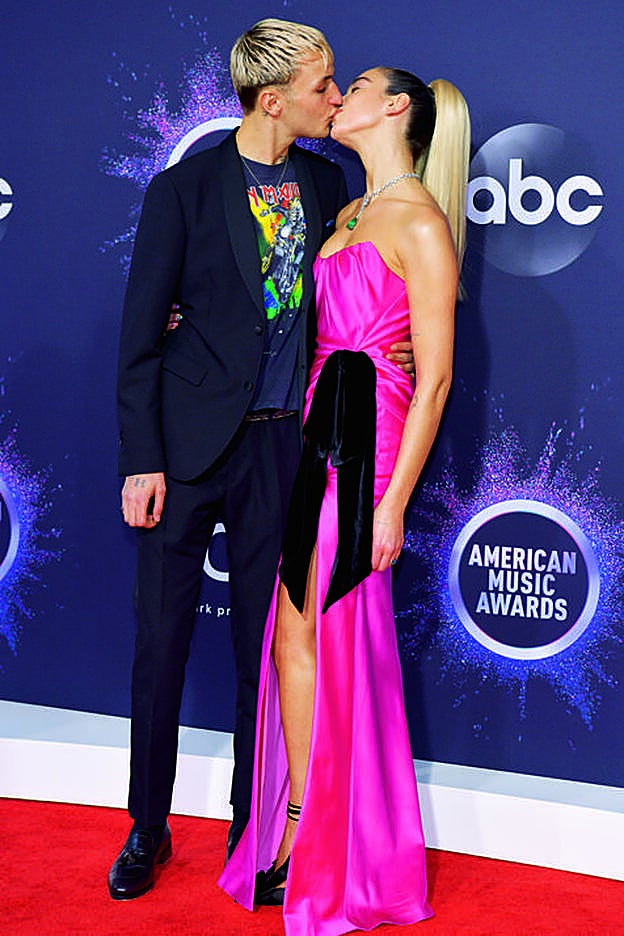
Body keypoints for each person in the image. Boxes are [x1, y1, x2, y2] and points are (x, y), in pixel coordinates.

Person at [109, 20, 414, 901]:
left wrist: (383, 346)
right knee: (161, 643)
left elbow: (365, 294)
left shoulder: (329, 187)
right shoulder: (184, 190)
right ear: (273, 97)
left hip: (289, 446)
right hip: (188, 450)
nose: (335, 95)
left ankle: (257, 828)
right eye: (323, 85)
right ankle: (147, 826)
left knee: (268, 649)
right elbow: (139, 339)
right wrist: (143, 458)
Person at [219, 67, 470, 935]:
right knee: (291, 629)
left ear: (395, 108)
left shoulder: (422, 223)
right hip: (314, 428)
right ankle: (297, 822)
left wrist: (395, 501)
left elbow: (434, 378)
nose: (342, 96)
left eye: (356, 84)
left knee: (334, 630)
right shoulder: (342, 216)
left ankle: (339, 842)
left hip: (372, 442)